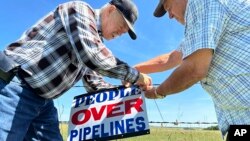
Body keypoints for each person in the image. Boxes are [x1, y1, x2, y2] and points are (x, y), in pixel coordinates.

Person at [0, 0, 152, 140]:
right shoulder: (81, 10)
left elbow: (94, 83)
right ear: (111, 10)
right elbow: (93, 56)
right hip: (16, 86)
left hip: (43, 102)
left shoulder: (93, 40)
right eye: (123, 24)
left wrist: (129, 92)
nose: (123, 32)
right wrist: (137, 76)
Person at [135, 0, 250, 140]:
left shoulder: (201, 2)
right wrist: (132, 71)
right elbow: (171, 58)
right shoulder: (200, 29)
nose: (170, 16)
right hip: (239, 119)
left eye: (168, 7)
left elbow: (194, 69)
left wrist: (157, 92)